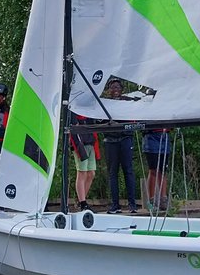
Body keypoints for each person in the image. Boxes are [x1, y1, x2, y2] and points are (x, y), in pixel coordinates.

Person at [100, 79, 138, 214]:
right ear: (109, 90)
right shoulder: (104, 103)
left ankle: (132, 204)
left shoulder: (127, 101)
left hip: (125, 139)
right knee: (112, 173)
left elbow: (135, 114)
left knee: (128, 171)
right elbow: (99, 120)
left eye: (117, 87)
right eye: (112, 87)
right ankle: (115, 205)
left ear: (121, 89)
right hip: (110, 141)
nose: (115, 89)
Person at [68, 110, 100, 211]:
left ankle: (80, 200)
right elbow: (73, 128)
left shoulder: (89, 109)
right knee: (82, 173)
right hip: (80, 145)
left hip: (90, 142)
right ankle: (83, 203)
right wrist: (77, 146)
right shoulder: (73, 110)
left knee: (91, 173)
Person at [143, 127, 172, 213]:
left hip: (164, 136)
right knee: (153, 170)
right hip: (151, 136)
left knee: (163, 170)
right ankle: (151, 201)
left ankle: (163, 199)